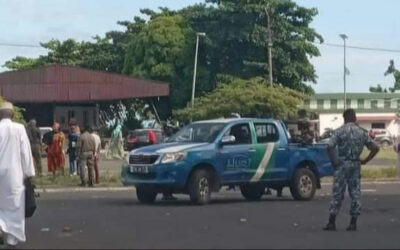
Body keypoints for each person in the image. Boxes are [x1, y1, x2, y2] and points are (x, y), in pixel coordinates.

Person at [323, 109, 379, 232]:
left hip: (342, 164)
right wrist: (365, 160)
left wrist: (335, 161)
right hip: (355, 164)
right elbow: (375, 147)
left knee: (338, 193)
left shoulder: (339, 131)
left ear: (344, 118)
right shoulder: (362, 132)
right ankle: (353, 223)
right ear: (354, 117)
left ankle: (332, 222)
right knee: (355, 193)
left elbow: (330, 147)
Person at [0, 102, 35, 247]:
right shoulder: (19, 128)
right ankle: (11, 238)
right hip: (14, 175)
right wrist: (29, 173)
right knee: (15, 205)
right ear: (13, 115)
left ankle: (1, 226)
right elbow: (25, 152)